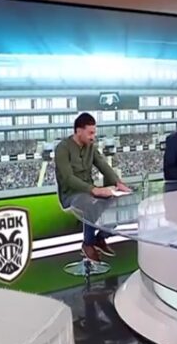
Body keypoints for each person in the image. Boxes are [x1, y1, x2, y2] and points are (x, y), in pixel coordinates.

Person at [55, 112, 131, 263]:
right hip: (71, 194)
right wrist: (93, 190)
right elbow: (68, 178)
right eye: (90, 133)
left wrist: (118, 183)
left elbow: (102, 165)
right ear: (79, 131)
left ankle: (100, 238)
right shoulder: (62, 148)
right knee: (91, 203)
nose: (93, 137)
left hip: (89, 191)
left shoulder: (91, 147)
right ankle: (88, 244)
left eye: (94, 133)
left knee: (116, 203)